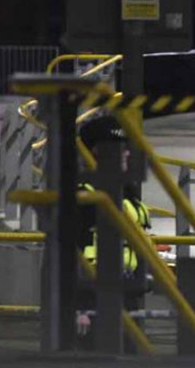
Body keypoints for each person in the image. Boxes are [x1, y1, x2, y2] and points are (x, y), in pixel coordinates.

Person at [74, 116, 152, 345]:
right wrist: (80, 308)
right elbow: (73, 249)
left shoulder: (124, 192)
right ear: (98, 152)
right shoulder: (86, 196)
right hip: (95, 296)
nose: (127, 153)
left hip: (127, 290)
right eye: (120, 149)